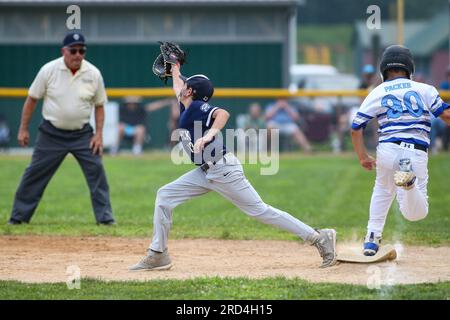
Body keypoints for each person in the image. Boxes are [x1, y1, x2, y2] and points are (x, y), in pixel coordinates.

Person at [129, 63, 337, 271]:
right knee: (165, 196)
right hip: (206, 171)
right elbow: (178, 87)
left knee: (261, 211)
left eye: (185, 84)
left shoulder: (196, 107)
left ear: (190, 91)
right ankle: (158, 254)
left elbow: (223, 114)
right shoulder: (187, 104)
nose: (180, 86)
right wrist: (175, 68)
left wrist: (209, 134)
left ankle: (319, 238)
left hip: (224, 169)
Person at [350, 45, 450, 256]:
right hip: (415, 151)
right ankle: (409, 183)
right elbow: (446, 116)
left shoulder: (376, 91)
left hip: (388, 149)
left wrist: (362, 157)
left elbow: (356, 127)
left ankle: (371, 239)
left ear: (383, 69)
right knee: (415, 214)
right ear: (410, 67)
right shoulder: (424, 89)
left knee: (382, 190)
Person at [8, 32, 115, 226]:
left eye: (81, 50)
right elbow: (32, 99)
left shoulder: (93, 73)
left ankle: (106, 219)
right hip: (52, 134)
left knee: (97, 172)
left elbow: (99, 105)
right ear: (63, 51)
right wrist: (23, 129)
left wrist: (98, 134)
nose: (77, 55)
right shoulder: (48, 70)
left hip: (83, 134)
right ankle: (18, 218)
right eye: (73, 50)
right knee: (34, 174)